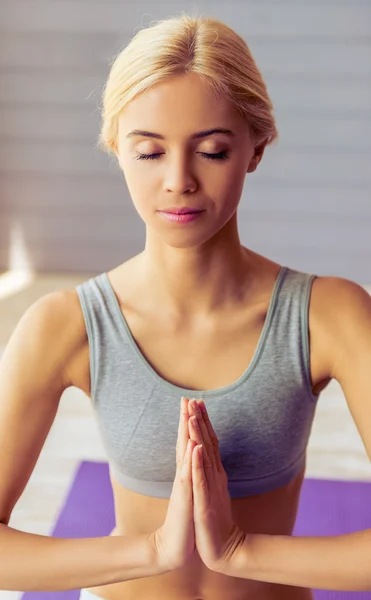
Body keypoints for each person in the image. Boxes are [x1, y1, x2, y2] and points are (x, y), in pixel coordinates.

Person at [0, 11, 370, 600]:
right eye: (149, 152)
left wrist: (240, 551)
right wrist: (148, 553)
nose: (178, 181)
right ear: (116, 149)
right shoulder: (64, 325)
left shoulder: (331, 316)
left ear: (256, 148)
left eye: (213, 151)